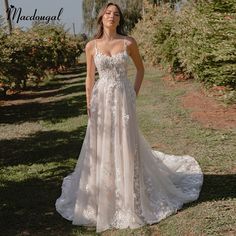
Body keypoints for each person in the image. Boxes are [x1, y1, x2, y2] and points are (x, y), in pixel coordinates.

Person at [55, 2, 203, 233]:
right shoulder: (91, 45)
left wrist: (133, 93)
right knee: (102, 142)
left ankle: (129, 193)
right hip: (102, 98)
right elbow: (89, 77)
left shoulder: (128, 42)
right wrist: (88, 102)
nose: (111, 16)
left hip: (123, 97)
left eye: (116, 14)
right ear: (101, 17)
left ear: (119, 19)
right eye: (108, 13)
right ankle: (103, 193)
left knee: (126, 141)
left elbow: (141, 69)